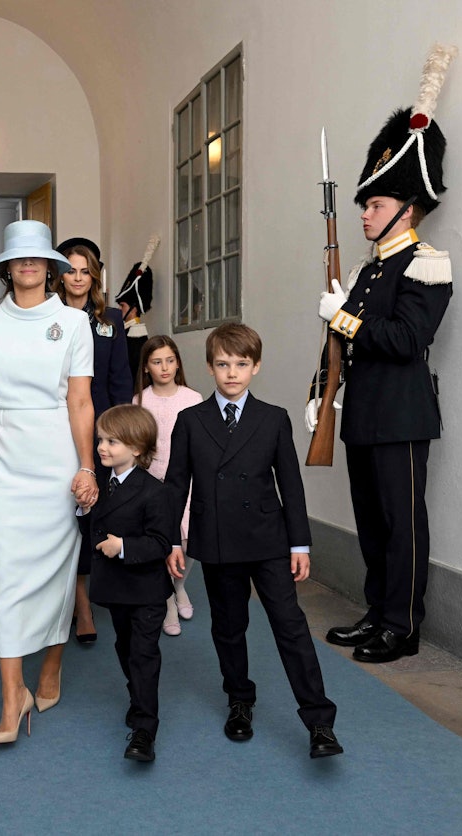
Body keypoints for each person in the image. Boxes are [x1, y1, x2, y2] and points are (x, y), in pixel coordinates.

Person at [314, 45, 456, 665]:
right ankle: (378, 613)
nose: (365, 215)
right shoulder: (369, 271)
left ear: (407, 206)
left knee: (403, 524)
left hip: (401, 413)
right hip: (365, 412)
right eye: (366, 205)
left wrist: (343, 315)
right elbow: (343, 346)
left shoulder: (427, 263)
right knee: (371, 523)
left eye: (374, 205)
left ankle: (403, 625)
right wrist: (321, 392)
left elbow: (404, 340)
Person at [0, 220, 98, 744]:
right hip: (7, 462)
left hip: (58, 460)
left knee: (58, 572)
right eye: (20, 257)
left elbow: (80, 401)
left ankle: (51, 667)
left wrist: (87, 466)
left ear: (50, 266)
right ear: (7, 267)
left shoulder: (74, 323)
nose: (29, 264)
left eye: (38, 257)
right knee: (6, 572)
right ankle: (12, 697)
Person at [165, 324, 343, 759]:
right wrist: (171, 540)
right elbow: (175, 485)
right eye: (223, 364)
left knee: (290, 625)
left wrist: (299, 544)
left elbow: (291, 485)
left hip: (268, 540)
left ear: (256, 367)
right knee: (228, 627)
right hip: (217, 540)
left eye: (241, 364)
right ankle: (239, 699)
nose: (232, 373)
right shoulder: (191, 421)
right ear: (210, 367)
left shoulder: (274, 418)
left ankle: (319, 720)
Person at [54, 237, 133, 645]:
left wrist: (120, 434)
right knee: (61, 512)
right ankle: (76, 602)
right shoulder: (46, 316)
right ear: (59, 275)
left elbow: (120, 379)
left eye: (86, 271)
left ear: (95, 276)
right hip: (55, 427)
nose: (78, 278)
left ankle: (86, 598)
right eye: (71, 270)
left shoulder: (110, 319)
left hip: (100, 427)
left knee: (92, 514)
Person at [85, 405, 174, 763]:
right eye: (101, 440)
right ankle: (138, 698)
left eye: (112, 442)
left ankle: (144, 730)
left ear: (137, 448)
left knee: (142, 654)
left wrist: (123, 547)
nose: (102, 447)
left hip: (146, 590)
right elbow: (94, 523)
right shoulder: (102, 484)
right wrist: (83, 508)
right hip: (117, 588)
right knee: (125, 647)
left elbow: (160, 543)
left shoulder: (155, 491)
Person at [133, 335, 201, 636]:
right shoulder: (139, 400)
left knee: (187, 540)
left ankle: (179, 586)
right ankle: (168, 600)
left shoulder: (193, 398)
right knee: (161, 542)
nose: (164, 368)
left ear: (178, 364)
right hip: (152, 481)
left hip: (187, 481)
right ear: (146, 367)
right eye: (157, 362)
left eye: (170, 361)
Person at [114, 260, 154, 376]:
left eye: (122, 306)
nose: (119, 309)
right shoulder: (124, 331)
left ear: (134, 309)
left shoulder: (137, 336)